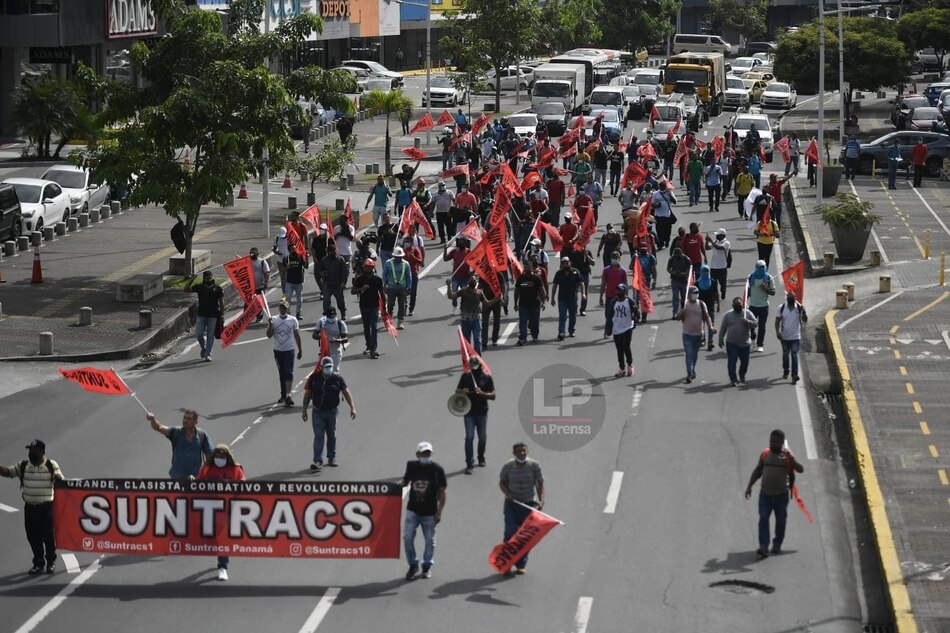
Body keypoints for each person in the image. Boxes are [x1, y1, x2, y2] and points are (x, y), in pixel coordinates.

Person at [0, 440, 64, 575]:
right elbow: (8, 472)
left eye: (34, 451)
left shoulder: (51, 465)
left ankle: (51, 561)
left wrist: (58, 477)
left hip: (46, 507)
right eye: (30, 451)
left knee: (48, 536)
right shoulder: (23, 465)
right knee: (32, 536)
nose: (31, 454)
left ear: (42, 452)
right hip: (30, 508)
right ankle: (39, 563)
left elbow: (60, 479)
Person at [745, 429, 804, 557]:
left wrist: (792, 460)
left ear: (782, 442)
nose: (773, 443)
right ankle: (764, 546)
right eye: (771, 441)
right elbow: (758, 470)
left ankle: (777, 544)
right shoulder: (765, 454)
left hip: (781, 496)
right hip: (765, 495)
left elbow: (801, 469)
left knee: (781, 521)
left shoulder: (787, 457)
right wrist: (749, 486)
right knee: (763, 519)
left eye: (776, 442)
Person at [197, 444, 245, 581]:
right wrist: (192, 481)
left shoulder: (235, 469)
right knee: (211, 538)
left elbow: (243, 482)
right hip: (208, 508)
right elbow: (197, 483)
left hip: (227, 510)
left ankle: (222, 566)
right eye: (217, 456)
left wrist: (241, 483)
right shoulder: (206, 469)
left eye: (223, 456)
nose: (220, 458)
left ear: (227, 457)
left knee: (223, 539)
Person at [400, 441, 447, 580]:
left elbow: (443, 491)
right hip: (413, 510)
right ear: (417, 454)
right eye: (423, 453)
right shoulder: (411, 466)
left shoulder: (437, 469)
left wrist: (439, 512)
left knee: (430, 540)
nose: (426, 455)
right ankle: (413, 565)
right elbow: (405, 481)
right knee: (407, 537)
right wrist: (390, 488)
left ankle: (426, 566)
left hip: (430, 512)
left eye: (428, 453)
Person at [301, 356, 357, 470]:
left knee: (332, 435)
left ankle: (331, 457)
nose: (329, 369)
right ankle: (317, 461)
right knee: (319, 436)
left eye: (330, 367)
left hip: (332, 412)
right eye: (326, 367)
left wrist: (352, 407)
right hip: (318, 412)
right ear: (321, 367)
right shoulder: (314, 378)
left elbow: (346, 393)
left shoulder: (337, 378)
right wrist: (304, 410)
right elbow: (307, 394)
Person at [498, 443, 545, 575]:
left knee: (524, 537)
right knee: (510, 534)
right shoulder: (508, 466)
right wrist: (508, 494)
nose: (522, 453)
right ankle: (506, 563)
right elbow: (502, 482)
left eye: (524, 451)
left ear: (527, 451)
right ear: (514, 453)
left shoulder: (534, 465)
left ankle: (521, 564)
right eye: (519, 451)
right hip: (512, 505)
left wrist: (540, 500)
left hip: (529, 505)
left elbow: (540, 483)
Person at [456, 356, 496, 474]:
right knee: (469, 437)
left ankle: (481, 456)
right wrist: (462, 391)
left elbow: (493, 396)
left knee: (482, 437)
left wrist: (482, 393)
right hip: (468, 412)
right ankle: (469, 463)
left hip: (482, 412)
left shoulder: (487, 378)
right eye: (472, 367)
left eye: (476, 367)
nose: (474, 370)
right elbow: (457, 391)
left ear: (480, 365)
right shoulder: (466, 376)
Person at [147, 410, 214, 479]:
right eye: (184, 418)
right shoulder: (176, 432)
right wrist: (153, 419)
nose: (185, 420)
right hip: (177, 477)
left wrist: (207, 474)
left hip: (196, 477)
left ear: (195, 422)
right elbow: (158, 427)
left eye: (189, 419)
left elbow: (209, 456)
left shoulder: (201, 435)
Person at [446, 274, 496, 354]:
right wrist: (449, 286)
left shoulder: (479, 292)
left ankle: (478, 358)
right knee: (466, 341)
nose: (474, 281)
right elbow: (450, 296)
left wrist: (496, 299)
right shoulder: (463, 291)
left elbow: (487, 303)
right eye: (472, 280)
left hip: (476, 320)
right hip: (465, 321)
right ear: (468, 282)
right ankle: (468, 358)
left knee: (477, 340)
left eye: (475, 280)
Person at [676, 286, 715, 383]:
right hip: (687, 334)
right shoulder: (685, 304)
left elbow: (707, 317)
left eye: (697, 293)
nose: (695, 294)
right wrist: (682, 312)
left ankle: (692, 370)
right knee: (689, 354)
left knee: (694, 354)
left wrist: (710, 327)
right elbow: (677, 317)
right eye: (694, 293)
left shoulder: (701, 304)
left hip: (698, 334)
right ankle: (689, 373)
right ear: (689, 294)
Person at [267, 301, 303, 406]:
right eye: (281, 308)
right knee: (281, 373)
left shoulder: (293, 320)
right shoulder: (274, 319)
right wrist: (270, 325)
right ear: (279, 309)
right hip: (278, 351)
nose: (283, 310)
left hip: (289, 350)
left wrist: (300, 349)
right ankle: (283, 394)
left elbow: (297, 335)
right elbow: (269, 335)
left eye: (285, 308)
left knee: (288, 372)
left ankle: (288, 395)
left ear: (288, 309)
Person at [184, 270, 224, 362]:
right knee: (199, 334)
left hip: (213, 316)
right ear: (204, 279)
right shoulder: (199, 287)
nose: (209, 279)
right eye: (207, 278)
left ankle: (208, 354)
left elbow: (221, 303)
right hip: (201, 315)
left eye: (210, 278)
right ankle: (204, 347)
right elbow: (186, 289)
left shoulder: (218, 289)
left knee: (210, 336)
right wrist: (192, 279)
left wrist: (222, 316)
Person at [718, 297, 758, 386]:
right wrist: (720, 338)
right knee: (732, 362)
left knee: (745, 363)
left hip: (745, 344)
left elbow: (755, 323)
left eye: (739, 303)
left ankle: (742, 375)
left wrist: (748, 322)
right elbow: (723, 327)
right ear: (733, 305)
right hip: (732, 343)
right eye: (736, 304)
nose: (738, 305)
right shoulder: (728, 315)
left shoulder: (747, 313)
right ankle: (733, 379)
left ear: (742, 304)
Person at [351, 258, 386, 358]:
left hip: (374, 306)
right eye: (366, 267)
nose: (368, 269)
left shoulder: (377, 279)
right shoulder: (359, 278)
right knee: (366, 327)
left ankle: (373, 348)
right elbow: (353, 291)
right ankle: (369, 345)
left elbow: (382, 293)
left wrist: (384, 307)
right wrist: (361, 289)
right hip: (364, 306)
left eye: (370, 267)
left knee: (374, 327)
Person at [551, 256, 586, 340]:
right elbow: (555, 286)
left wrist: (583, 294)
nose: (566, 264)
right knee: (562, 315)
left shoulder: (575, 272)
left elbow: (581, 283)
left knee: (573, 315)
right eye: (564, 263)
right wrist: (552, 298)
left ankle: (571, 330)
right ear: (561, 264)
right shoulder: (559, 273)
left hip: (572, 298)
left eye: (567, 262)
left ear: (570, 263)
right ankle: (561, 332)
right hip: (562, 299)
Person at [775, 291, 807, 383]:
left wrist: (803, 312)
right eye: (789, 298)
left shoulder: (799, 308)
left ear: (795, 298)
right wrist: (777, 332)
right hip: (784, 337)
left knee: (794, 354)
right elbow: (777, 321)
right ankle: (786, 370)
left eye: (792, 298)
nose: (791, 299)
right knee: (785, 355)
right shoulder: (781, 308)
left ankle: (794, 375)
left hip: (795, 337)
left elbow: (805, 320)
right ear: (787, 299)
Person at [514, 259, 547, 345]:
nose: (527, 269)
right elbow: (516, 291)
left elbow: (542, 290)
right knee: (523, 321)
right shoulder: (521, 278)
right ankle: (523, 338)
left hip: (535, 304)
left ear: (532, 268)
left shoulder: (536, 278)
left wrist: (543, 302)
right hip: (523, 304)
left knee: (534, 322)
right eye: (526, 267)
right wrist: (515, 303)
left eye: (529, 267)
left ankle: (535, 336)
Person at [608, 284, 638, 377]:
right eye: (617, 290)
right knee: (619, 349)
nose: (618, 292)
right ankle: (621, 368)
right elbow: (609, 316)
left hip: (627, 327)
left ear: (624, 291)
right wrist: (608, 328)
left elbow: (636, 313)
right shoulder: (613, 302)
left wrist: (634, 322)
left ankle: (630, 365)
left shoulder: (629, 301)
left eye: (620, 290)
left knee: (626, 346)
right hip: (617, 328)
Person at [747, 260, 775, 352]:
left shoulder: (769, 278)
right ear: (756, 267)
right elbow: (747, 291)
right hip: (753, 306)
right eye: (760, 267)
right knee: (752, 325)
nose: (761, 269)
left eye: (763, 267)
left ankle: (760, 344)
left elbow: (773, 292)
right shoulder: (751, 277)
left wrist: (765, 288)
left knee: (762, 326)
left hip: (764, 306)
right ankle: (753, 340)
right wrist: (745, 302)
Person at [317, 241, 349, 321]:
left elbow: (344, 272)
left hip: (338, 284)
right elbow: (319, 271)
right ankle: (326, 315)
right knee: (326, 301)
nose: (332, 253)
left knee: (340, 301)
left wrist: (343, 282)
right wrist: (322, 273)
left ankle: (343, 313)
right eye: (330, 251)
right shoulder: (324, 260)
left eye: (334, 251)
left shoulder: (340, 259)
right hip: (327, 284)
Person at [600, 250, 628, 334]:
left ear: (619, 258)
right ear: (611, 258)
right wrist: (601, 296)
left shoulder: (623, 271)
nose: (615, 259)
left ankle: (617, 330)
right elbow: (603, 284)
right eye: (613, 257)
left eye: (617, 257)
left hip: (620, 297)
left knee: (618, 315)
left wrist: (626, 296)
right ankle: (609, 329)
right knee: (608, 315)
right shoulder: (606, 270)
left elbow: (625, 284)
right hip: (609, 296)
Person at [383, 246, 412, 329]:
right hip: (391, 288)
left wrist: (409, 287)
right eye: (397, 257)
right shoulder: (388, 263)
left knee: (401, 305)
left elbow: (408, 276)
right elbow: (384, 275)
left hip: (402, 288)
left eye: (400, 257)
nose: (399, 258)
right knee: (390, 305)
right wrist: (384, 285)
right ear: (394, 256)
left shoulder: (406, 264)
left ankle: (400, 322)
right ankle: (389, 321)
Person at [313, 305, 348, 371]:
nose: (332, 318)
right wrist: (322, 337)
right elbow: (314, 335)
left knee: (334, 371)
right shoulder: (321, 322)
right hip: (324, 352)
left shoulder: (340, 324)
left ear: (336, 314)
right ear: (326, 315)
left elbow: (345, 339)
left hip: (336, 353)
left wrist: (336, 340)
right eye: (330, 316)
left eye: (333, 315)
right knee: (324, 372)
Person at [696, 265, 720, 351]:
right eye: (704, 271)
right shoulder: (697, 283)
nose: (705, 273)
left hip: (710, 306)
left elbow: (716, 293)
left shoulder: (713, 282)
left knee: (711, 325)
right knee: (701, 325)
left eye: (707, 271)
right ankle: (703, 339)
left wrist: (718, 304)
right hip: (700, 307)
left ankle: (710, 342)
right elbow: (694, 296)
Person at [667, 247, 692, 318]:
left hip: (683, 281)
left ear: (681, 253)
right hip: (675, 280)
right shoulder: (672, 259)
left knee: (684, 298)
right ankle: (675, 313)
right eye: (676, 255)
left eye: (679, 254)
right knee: (675, 297)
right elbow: (668, 268)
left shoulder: (686, 259)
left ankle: (683, 312)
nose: (677, 256)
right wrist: (672, 272)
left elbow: (690, 268)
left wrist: (684, 273)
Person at [650, 180, 677, 249]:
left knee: (667, 231)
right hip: (658, 216)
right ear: (659, 187)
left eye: (663, 186)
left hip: (667, 215)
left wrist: (670, 195)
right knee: (659, 231)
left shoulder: (669, 193)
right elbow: (651, 204)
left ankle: (667, 240)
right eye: (661, 187)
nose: (662, 188)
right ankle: (660, 244)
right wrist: (656, 205)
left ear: (665, 187)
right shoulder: (655, 194)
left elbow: (675, 202)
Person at [706, 228, 730, 300]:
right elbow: (707, 248)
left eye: (717, 235)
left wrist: (711, 241)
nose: (716, 236)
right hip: (713, 267)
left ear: (722, 235)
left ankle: (723, 291)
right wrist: (707, 241)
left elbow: (719, 248)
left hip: (722, 267)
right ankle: (715, 296)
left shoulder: (726, 243)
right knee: (713, 284)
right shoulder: (715, 241)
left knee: (722, 283)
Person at [248, 247, 270, 322]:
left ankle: (259, 317)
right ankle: (248, 318)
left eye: (253, 253)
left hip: (260, 286)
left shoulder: (262, 262)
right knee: (249, 303)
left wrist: (266, 282)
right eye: (251, 253)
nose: (252, 255)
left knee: (260, 302)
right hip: (251, 287)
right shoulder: (247, 262)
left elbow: (267, 273)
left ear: (258, 254)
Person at [285, 251, 306, 320]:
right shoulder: (286, 258)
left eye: (294, 249)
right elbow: (283, 270)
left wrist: (306, 257)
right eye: (292, 249)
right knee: (287, 298)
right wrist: (287, 268)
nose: (294, 251)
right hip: (290, 281)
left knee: (299, 298)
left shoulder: (300, 257)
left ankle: (298, 313)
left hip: (299, 281)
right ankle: (287, 313)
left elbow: (306, 266)